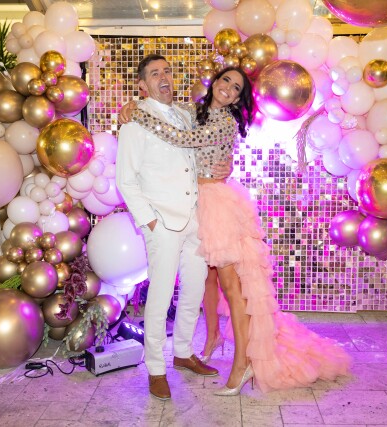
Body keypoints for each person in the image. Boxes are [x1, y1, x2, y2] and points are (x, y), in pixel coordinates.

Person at [120, 66, 351, 395]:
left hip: (215, 206)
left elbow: (184, 139)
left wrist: (139, 115)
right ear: (215, 82)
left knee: (231, 288)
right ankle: (174, 360)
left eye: (237, 88)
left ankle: (241, 362)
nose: (228, 88)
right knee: (194, 287)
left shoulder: (224, 121)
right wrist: (132, 106)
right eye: (226, 80)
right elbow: (169, 115)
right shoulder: (192, 111)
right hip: (192, 208)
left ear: (239, 99)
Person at [115, 54, 221, 401]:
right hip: (162, 222)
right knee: (160, 297)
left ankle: (184, 352)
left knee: (194, 289)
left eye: (167, 71)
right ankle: (156, 368)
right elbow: (125, 180)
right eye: (155, 73)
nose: (164, 77)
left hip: (194, 218)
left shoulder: (184, 116)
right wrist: (150, 222)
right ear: (142, 85)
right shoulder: (134, 123)